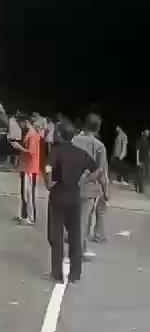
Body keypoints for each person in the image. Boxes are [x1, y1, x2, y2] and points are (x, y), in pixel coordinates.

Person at [45, 119, 102, 284]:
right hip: (74, 197)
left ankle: (57, 274)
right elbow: (98, 170)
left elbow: (48, 168)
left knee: (55, 236)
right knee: (75, 236)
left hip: (57, 197)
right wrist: (85, 180)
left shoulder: (56, 151)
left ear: (60, 135)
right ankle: (75, 274)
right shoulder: (80, 153)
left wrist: (49, 182)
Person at [73, 114, 109, 255]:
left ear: (84, 124)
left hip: (71, 184)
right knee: (84, 220)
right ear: (98, 128)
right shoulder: (99, 146)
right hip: (88, 188)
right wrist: (105, 192)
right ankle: (79, 250)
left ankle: (76, 245)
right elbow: (101, 172)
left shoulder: (74, 140)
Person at [10, 115, 40, 224]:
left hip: (31, 169)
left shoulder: (32, 135)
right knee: (24, 193)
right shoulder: (28, 134)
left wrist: (19, 147)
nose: (19, 125)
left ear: (26, 122)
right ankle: (24, 215)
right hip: (25, 167)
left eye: (20, 123)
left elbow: (31, 152)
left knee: (29, 194)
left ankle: (31, 217)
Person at [136, 129, 150, 194]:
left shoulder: (147, 141)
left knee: (145, 174)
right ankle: (139, 188)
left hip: (147, 160)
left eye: (148, 132)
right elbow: (137, 151)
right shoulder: (139, 141)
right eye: (146, 132)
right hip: (141, 160)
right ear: (143, 132)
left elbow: (148, 150)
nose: (148, 133)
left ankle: (142, 187)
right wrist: (137, 160)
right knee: (140, 174)